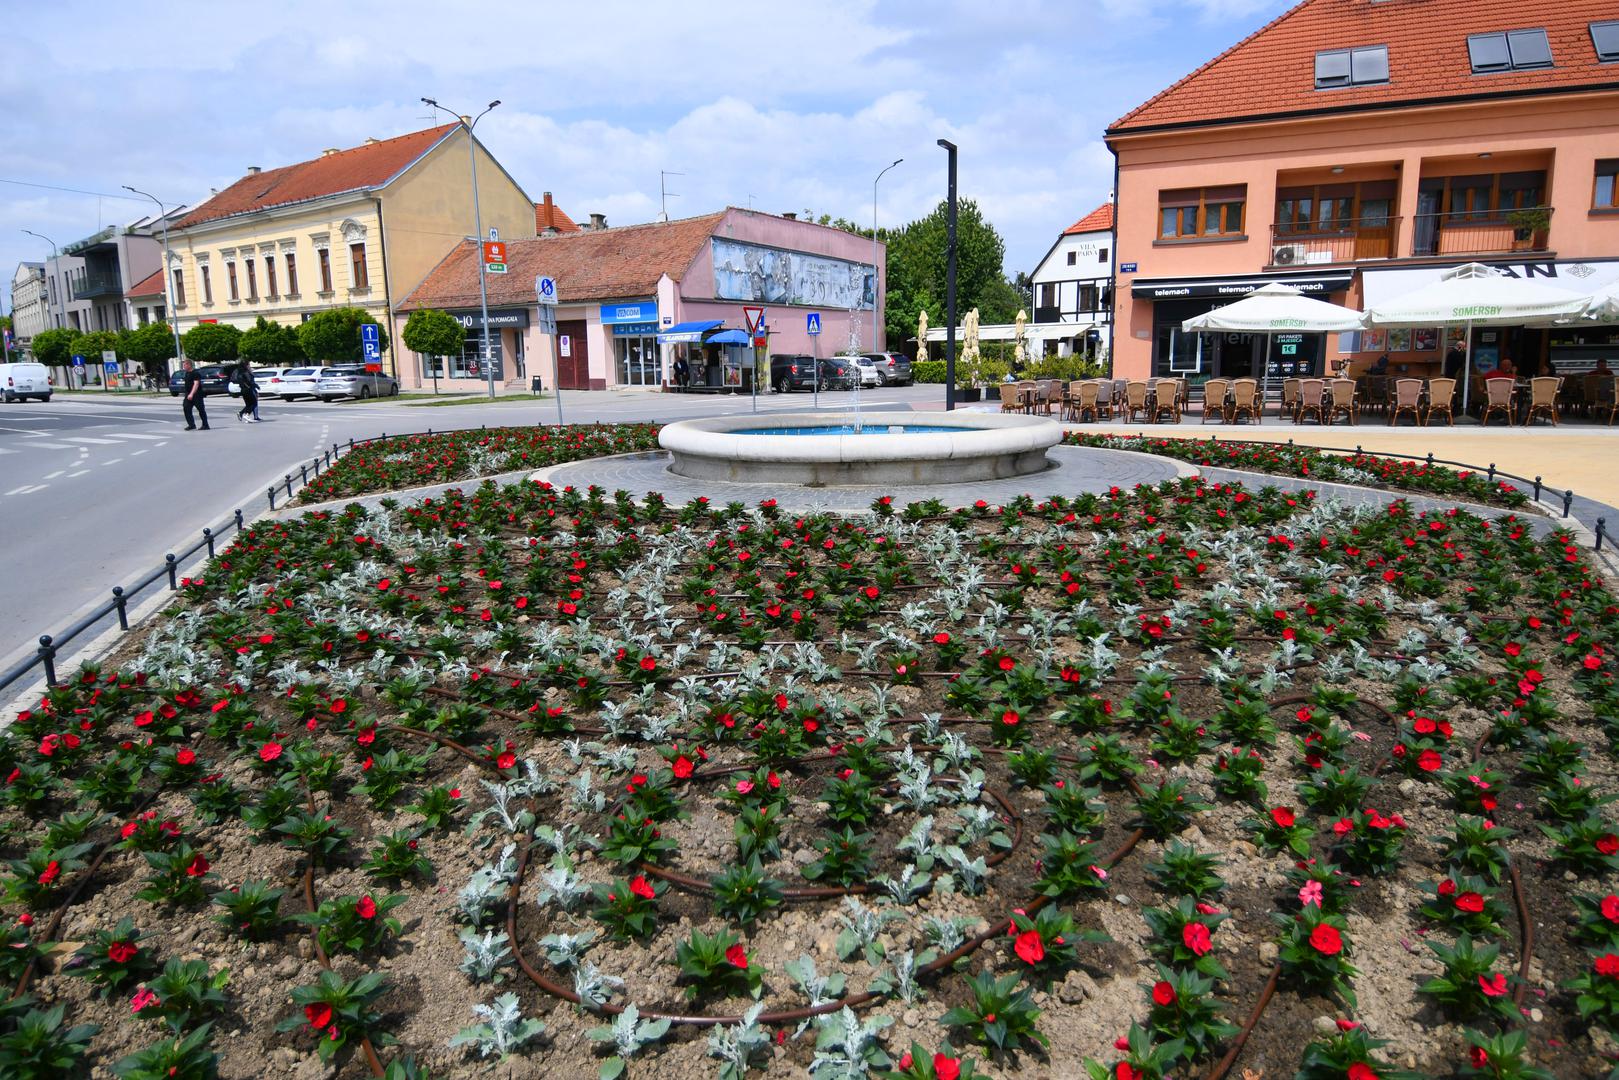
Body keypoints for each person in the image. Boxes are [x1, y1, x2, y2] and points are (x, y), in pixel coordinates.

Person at [180, 360, 210, 430]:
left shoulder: (195, 373)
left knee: (201, 410)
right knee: (186, 408)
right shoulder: (187, 373)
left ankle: (205, 425)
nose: (183, 367)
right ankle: (191, 424)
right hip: (188, 394)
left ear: (189, 365)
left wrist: (191, 394)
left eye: (184, 365)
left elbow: (196, 384)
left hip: (196, 395)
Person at [235, 358, 260, 422]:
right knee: (254, 403)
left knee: (248, 404)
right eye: (248, 364)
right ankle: (246, 415)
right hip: (248, 389)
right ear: (246, 365)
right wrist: (256, 386)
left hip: (243, 390)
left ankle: (241, 413)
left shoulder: (240, 372)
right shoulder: (246, 372)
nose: (249, 366)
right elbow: (250, 382)